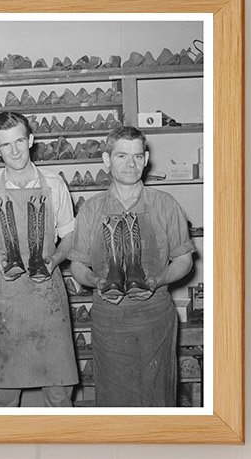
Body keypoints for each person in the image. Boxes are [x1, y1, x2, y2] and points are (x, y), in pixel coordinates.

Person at [69, 126, 195, 407]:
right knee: (115, 399)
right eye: (121, 156)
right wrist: (96, 282)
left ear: (146, 158)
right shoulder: (91, 209)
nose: (130, 164)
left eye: (137, 157)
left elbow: (184, 260)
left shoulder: (165, 204)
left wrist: (160, 279)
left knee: (158, 394)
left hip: (155, 315)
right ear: (106, 159)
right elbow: (78, 265)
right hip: (109, 317)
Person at [0, 111, 78, 407]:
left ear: (30, 140)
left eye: (19, 142)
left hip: (46, 298)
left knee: (58, 392)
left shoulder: (54, 185)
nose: (14, 151)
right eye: (5, 145)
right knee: (4, 395)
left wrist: (55, 259)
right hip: (4, 301)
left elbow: (69, 236)